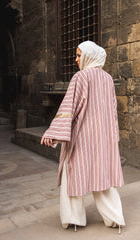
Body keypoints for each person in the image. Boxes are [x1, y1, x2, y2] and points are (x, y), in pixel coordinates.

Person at [41, 40, 125, 233]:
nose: (76, 59)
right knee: (102, 176)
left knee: (73, 174)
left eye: (79, 55)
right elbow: (113, 111)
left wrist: (53, 133)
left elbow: (69, 109)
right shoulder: (108, 79)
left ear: (89, 56)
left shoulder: (81, 77)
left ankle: (74, 219)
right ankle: (115, 219)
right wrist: (113, 136)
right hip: (103, 137)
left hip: (82, 137)